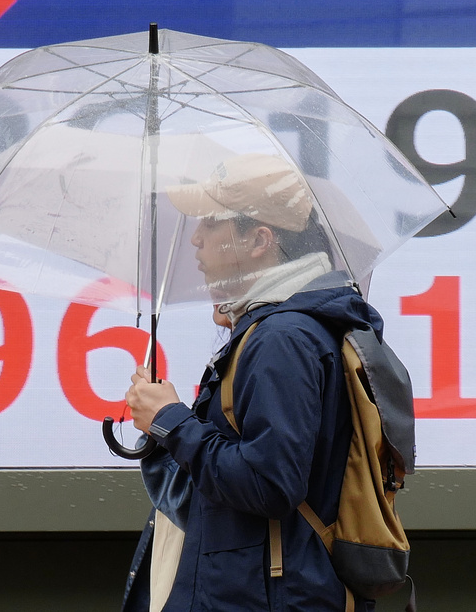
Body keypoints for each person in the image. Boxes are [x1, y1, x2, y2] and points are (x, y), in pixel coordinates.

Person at [121, 153, 384, 611]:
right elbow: (219, 496)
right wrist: (165, 431)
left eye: (211, 224)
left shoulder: (282, 338)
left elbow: (269, 483)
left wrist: (172, 421)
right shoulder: (282, 331)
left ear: (260, 239)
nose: (196, 239)